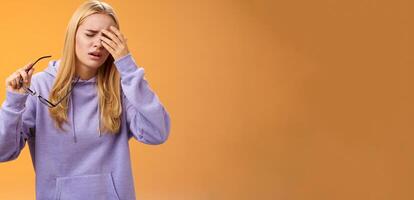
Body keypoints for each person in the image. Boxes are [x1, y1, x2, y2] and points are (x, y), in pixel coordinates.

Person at [0, 0, 171, 199]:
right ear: (72, 36)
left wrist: (128, 68)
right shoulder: (39, 86)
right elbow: (3, 152)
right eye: (90, 34)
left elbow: (157, 133)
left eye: (107, 38)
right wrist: (13, 102)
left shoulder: (122, 88)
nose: (98, 44)